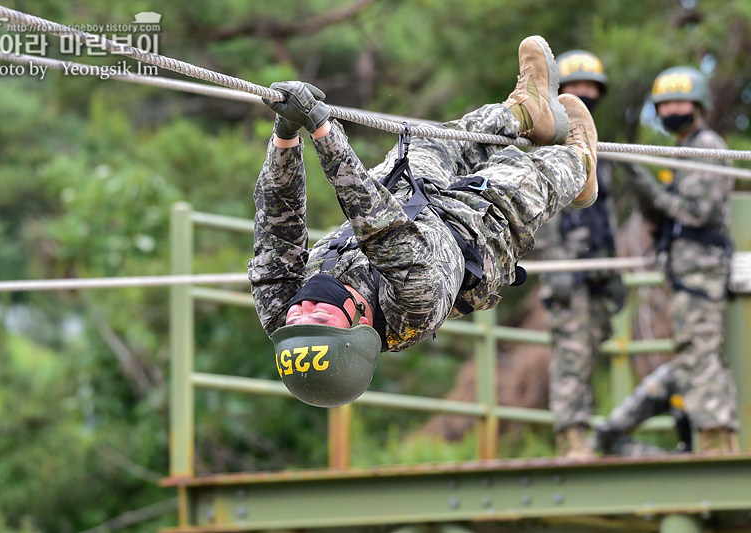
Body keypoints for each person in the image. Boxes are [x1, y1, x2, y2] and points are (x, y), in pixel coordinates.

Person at [249, 36, 598, 408]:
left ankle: (527, 111)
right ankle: (582, 162)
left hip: (405, 199)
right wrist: (322, 131)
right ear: (360, 327)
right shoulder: (412, 307)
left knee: (438, 141)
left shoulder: (284, 324)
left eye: (296, 317)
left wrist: (285, 137)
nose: (302, 308)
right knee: (530, 177)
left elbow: (276, 226)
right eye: (318, 315)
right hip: (475, 234)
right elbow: (379, 226)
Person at [593, 66, 739, 454]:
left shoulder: (708, 146)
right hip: (685, 267)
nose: (673, 109)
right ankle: (708, 433)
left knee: (698, 349)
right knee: (692, 348)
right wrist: (645, 190)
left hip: (701, 267)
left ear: (699, 105)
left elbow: (697, 212)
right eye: (665, 103)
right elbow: (664, 217)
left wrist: (650, 189)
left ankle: (714, 437)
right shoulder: (680, 152)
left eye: (680, 101)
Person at [532, 50, 624, 459]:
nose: (585, 93)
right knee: (570, 355)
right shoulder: (550, 139)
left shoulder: (594, 142)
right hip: (568, 267)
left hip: (598, 266)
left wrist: (614, 267)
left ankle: (585, 434)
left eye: (591, 87)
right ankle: (572, 439)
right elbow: (542, 212)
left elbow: (604, 214)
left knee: (591, 350)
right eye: (576, 87)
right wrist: (556, 269)